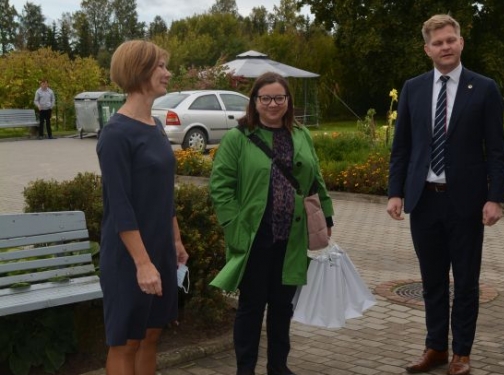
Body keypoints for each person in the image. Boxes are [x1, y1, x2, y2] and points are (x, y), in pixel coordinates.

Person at [386, 14, 504, 375]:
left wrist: (495, 197)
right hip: (424, 201)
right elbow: (402, 147)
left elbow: (496, 151)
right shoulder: (414, 88)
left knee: (466, 282)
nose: (445, 47)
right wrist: (395, 193)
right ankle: (435, 347)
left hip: (466, 203)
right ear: (427, 49)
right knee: (432, 281)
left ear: (461, 42)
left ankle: (462, 354)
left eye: (450, 40)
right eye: (438, 43)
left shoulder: (484, 88)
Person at [209, 72, 334, 375]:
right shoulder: (239, 138)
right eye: (266, 98)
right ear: (255, 101)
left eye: (280, 97)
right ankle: (245, 369)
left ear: (288, 101)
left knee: (282, 308)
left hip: (291, 239)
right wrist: (235, 228)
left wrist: (326, 216)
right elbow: (220, 187)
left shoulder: (300, 134)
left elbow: (315, 180)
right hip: (254, 239)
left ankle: (279, 366)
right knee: (251, 309)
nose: (273, 104)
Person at [96, 40, 189, 375]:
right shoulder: (116, 134)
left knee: (150, 336)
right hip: (129, 258)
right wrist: (143, 263)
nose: (168, 72)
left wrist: (175, 241)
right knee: (126, 342)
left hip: (160, 249)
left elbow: (164, 194)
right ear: (140, 71)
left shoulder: (156, 126)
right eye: (160, 66)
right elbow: (120, 206)